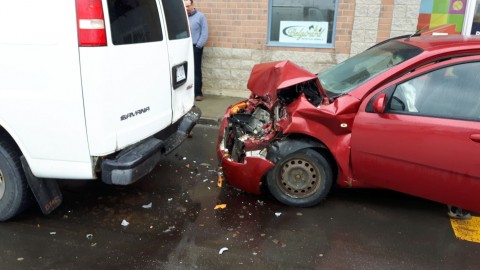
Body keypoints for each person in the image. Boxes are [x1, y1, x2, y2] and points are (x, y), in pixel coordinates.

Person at [184, 0, 208, 101]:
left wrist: (198, 46)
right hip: (184, 47)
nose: (186, 8)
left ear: (193, 5)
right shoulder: (182, 17)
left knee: (196, 70)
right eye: (184, 7)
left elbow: (204, 33)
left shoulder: (200, 16)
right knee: (184, 70)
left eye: (188, 6)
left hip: (196, 47)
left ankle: (198, 93)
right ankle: (186, 92)